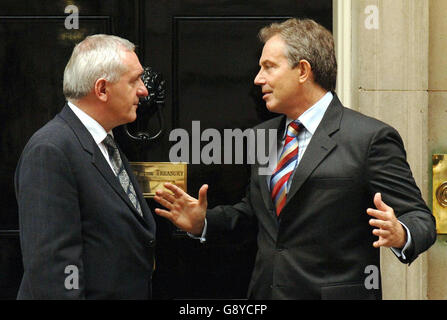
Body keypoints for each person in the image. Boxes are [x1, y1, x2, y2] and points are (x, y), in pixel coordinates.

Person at [154, 18, 437, 299]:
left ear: (302, 70)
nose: (258, 79)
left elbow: (421, 218)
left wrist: (401, 232)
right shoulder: (263, 136)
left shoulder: (369, 138)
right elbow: (256, 215)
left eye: (269, 67)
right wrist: (203, 223)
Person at [15, 34, 156, 299]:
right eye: (134, 80)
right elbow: (53, 272)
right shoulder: (51, 150)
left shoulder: (103, 141)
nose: (144, 91)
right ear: (102, 89)